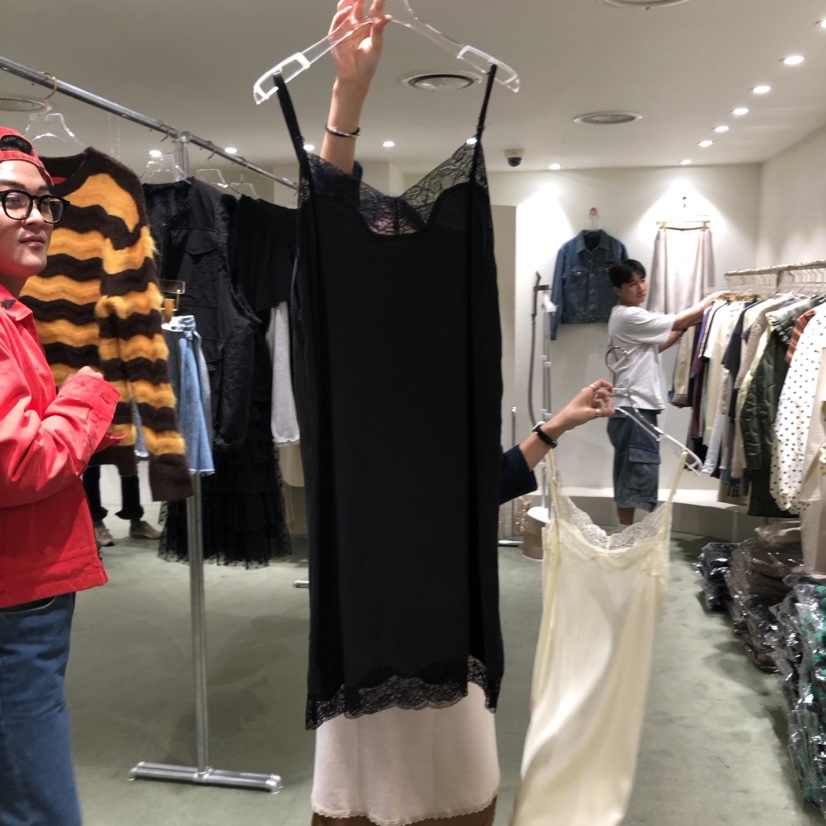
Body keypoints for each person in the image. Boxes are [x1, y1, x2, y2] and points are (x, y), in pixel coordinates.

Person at [0, 128, 120, 826]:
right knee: (37, 803)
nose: (39, 217)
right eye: (12, 200)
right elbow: (19, 462)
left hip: (21, 584)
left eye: (45, 202)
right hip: (16, 592)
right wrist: (89, 393)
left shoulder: (13, 312)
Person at [606, 258, 727, 525]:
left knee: (632, 472)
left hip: (632, 408)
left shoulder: (624, 316)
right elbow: (676, 321)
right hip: (634, 408)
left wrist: (684, 328)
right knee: (638, 473)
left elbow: (657, 344)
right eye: (632, 284)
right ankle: (631, 537)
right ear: (618, 290)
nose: (641, 287)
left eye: (642, 280)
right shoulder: (629, 316)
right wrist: (709, 303)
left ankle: (628, 535)